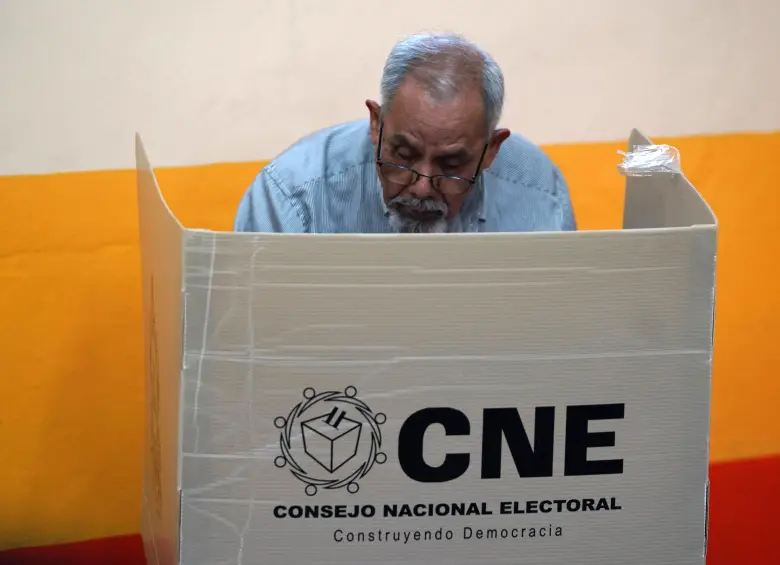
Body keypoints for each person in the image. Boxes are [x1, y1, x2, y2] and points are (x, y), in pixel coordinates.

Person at [234, 32, 576, 234]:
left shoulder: (540, 195)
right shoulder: (293, 197)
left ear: (491, 150)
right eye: (403, 155)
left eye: (452, 164)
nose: (423, 186)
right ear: (376, 124)